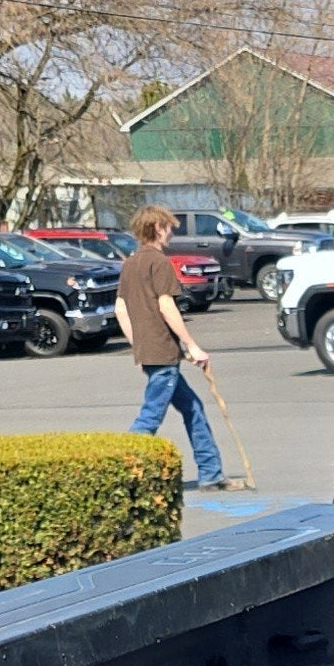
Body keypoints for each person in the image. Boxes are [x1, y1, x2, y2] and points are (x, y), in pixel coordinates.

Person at [118, 208, 225, 488]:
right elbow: (167, 306)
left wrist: (137, 344)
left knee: (193, 408)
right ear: (157, 227)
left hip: (153, 352)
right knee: (151, 416)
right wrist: (192, 346)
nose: (172, 233)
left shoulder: (130, 264)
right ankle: (118, 467)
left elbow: (120, 309)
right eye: (169, 227)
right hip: (163, 353)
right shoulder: (160, 263)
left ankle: (211, 473)